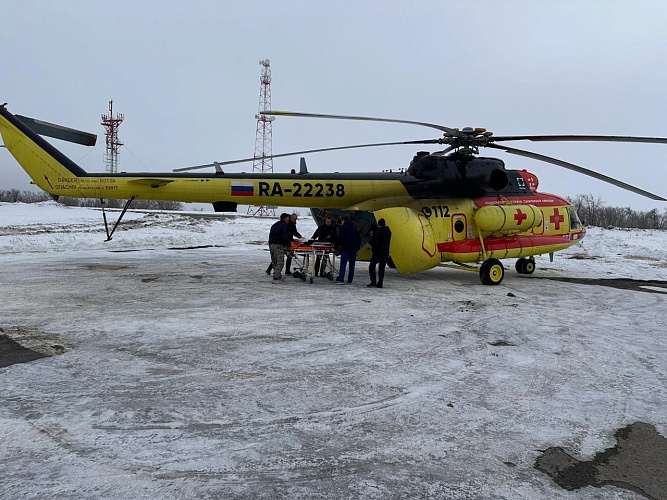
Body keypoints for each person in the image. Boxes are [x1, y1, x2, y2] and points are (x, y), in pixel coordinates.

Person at [336, 215, 361, 284]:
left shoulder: (343, 228)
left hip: (346, 249)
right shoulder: (354, 228)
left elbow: (340, 239)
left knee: (343, 265)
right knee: (352, 266)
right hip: (353, 250)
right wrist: (357, 248)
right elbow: (359, 239)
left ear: (343, 220)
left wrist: (336, 247)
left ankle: (341, 279)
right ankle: (350, 280)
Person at [368, 218, 392, 288]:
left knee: (372, 266)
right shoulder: (388, 232)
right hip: (385, 252)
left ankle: (373, 281)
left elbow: (376, 243)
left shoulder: (378, 232)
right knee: (381, 268)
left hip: (377, 252)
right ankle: (380, 282)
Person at [268, 213, 291, 283]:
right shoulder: (283, 225)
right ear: (286, 218)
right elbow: (284, 236)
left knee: (274, 261)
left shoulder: (275, 225)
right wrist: (288, 244)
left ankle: (277, 275)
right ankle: (276, 277)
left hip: (271, 244)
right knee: (280, 262)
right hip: (278, 245)